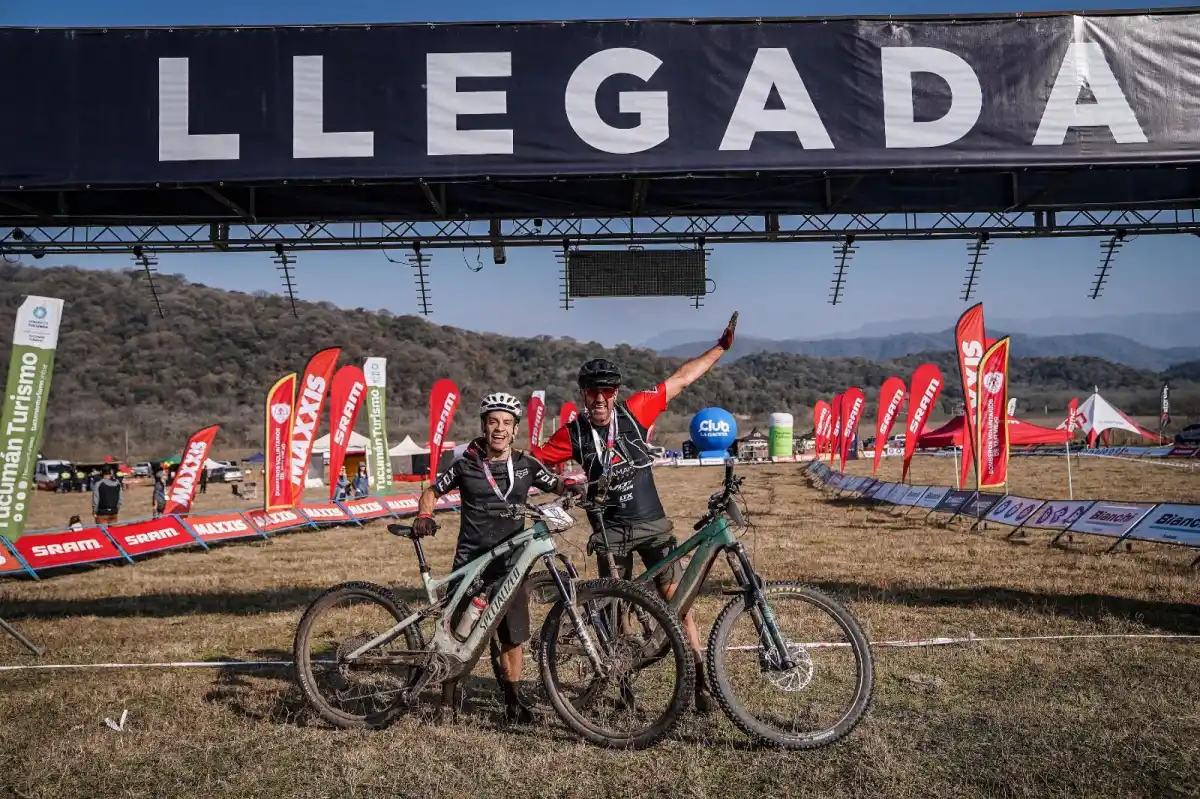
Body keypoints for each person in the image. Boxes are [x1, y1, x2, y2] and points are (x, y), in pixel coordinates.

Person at [534, 312, 737, 713]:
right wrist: (559, 485)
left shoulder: (634, 412)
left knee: (677, 600)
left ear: (617, 392)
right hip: (611, 537)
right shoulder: (573, 434)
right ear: (582, 393)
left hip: (653, 525)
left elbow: (682, 378)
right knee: (616, 614)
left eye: (606, 391)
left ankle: (699, 681)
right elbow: (533, 464)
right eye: (592, 391)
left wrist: (720, 348)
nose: (599, 397)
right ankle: (624, 689)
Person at [410, 391, 579, 725]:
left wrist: (581, 489)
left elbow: (558, 484)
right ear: (484, 427)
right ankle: (447, 702)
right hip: (471, 560)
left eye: (506, 423)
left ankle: (513, 702)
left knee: (512, 635)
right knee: (457, 631)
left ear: (515, 429)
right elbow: (431, 491)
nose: (499, 429)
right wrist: (425, 514)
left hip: (512, 564)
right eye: (493, 422)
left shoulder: (528, 465)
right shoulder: (465, 465)